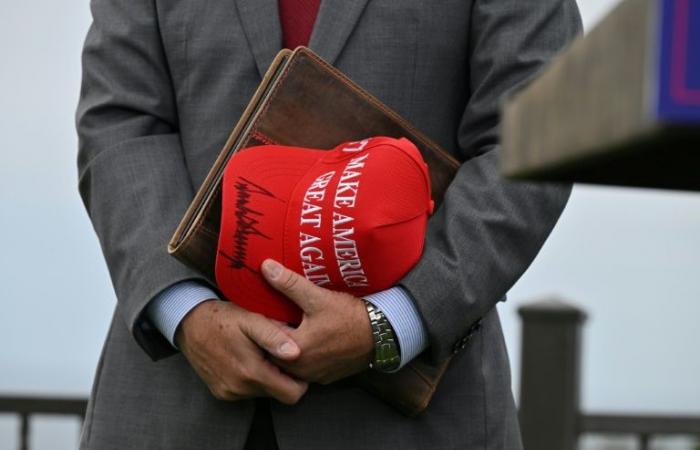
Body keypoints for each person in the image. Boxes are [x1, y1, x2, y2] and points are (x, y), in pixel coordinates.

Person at [76, 0, 581, 448]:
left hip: (414, 421)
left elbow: (537, 135)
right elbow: (121, 123)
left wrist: (391, 321)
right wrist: (186, 313)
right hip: (166, 408)